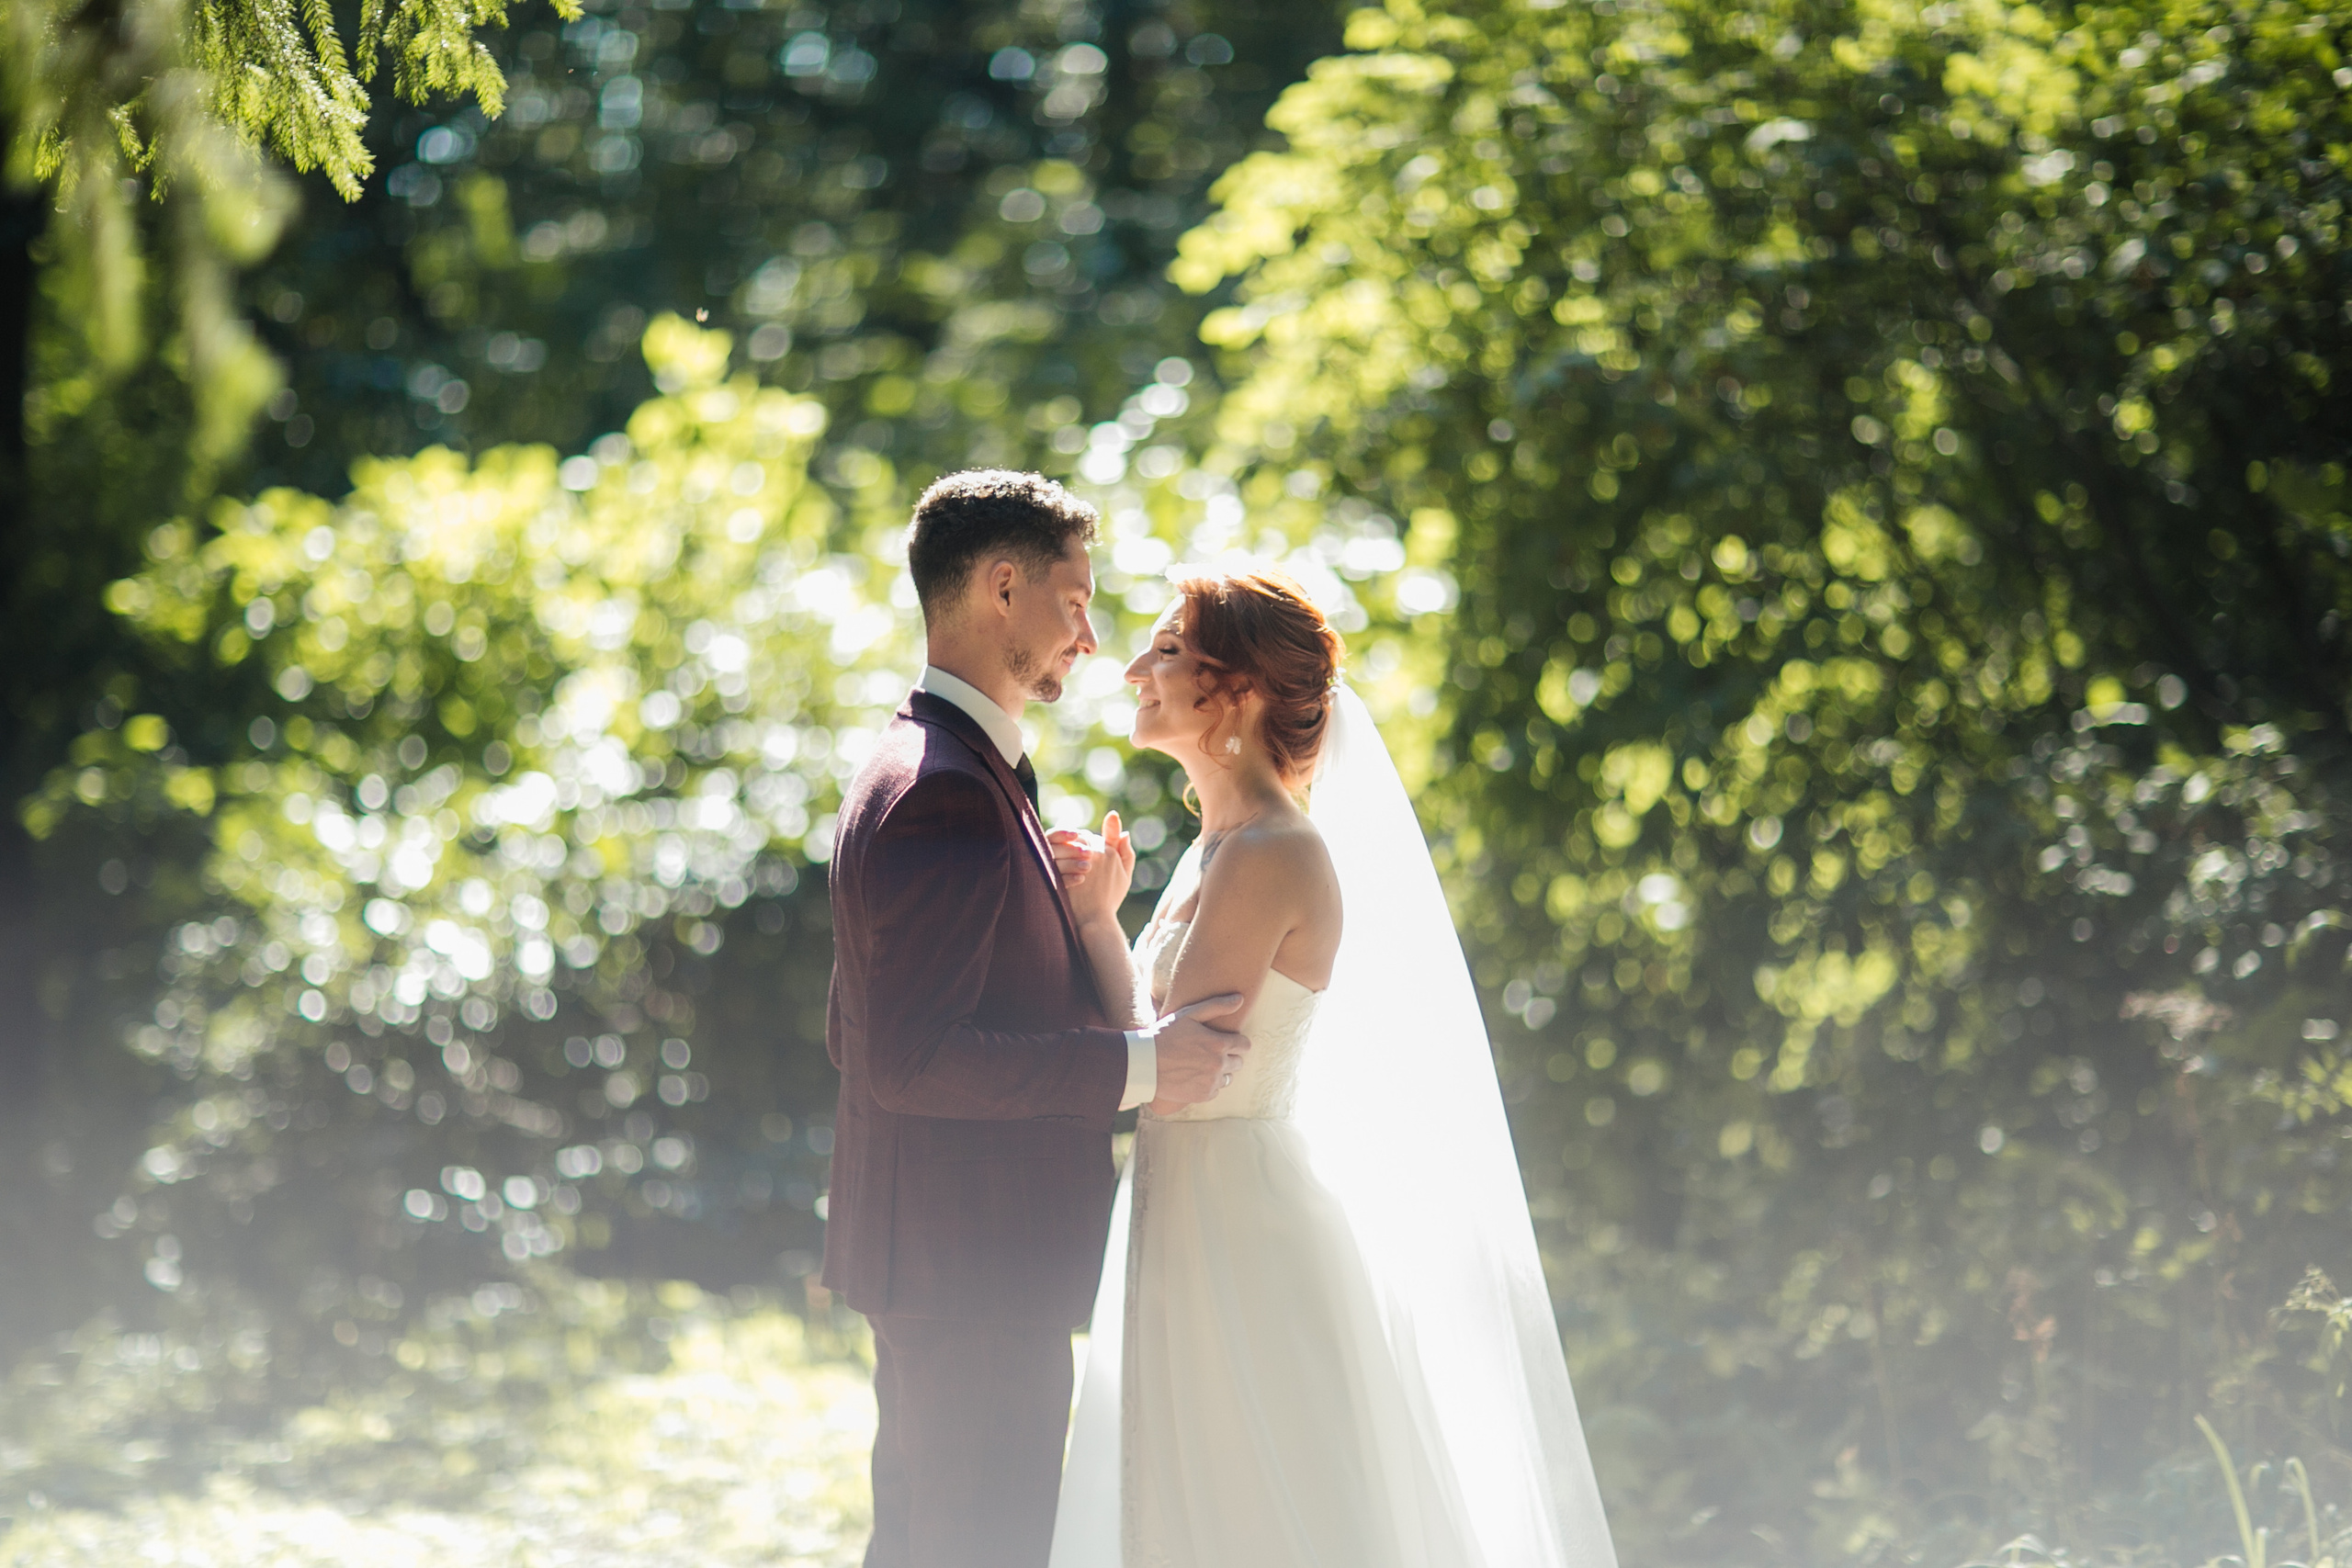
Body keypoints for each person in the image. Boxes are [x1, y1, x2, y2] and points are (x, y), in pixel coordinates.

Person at [1046, 566, 1619, 1568]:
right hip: (1186, 1201)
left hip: (1238, 1221)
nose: (1134, 667)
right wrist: (1101, 919)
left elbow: (1176, 1070)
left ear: (1240, 690)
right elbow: (1160, 1043)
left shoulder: (1271, 852)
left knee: (1257, 1508)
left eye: (1168, 650)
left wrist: (1098, 928)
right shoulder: (1216, 846)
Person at [820, 471, 1251, 1568]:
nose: (1091, 639)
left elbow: (854, 1027)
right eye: (1076, 601)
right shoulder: (943, 790)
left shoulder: (932, 763)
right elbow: (909, 1060)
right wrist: (1143, 1068)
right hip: (971, 1267)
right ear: (1003, 588)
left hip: (951, 1258)